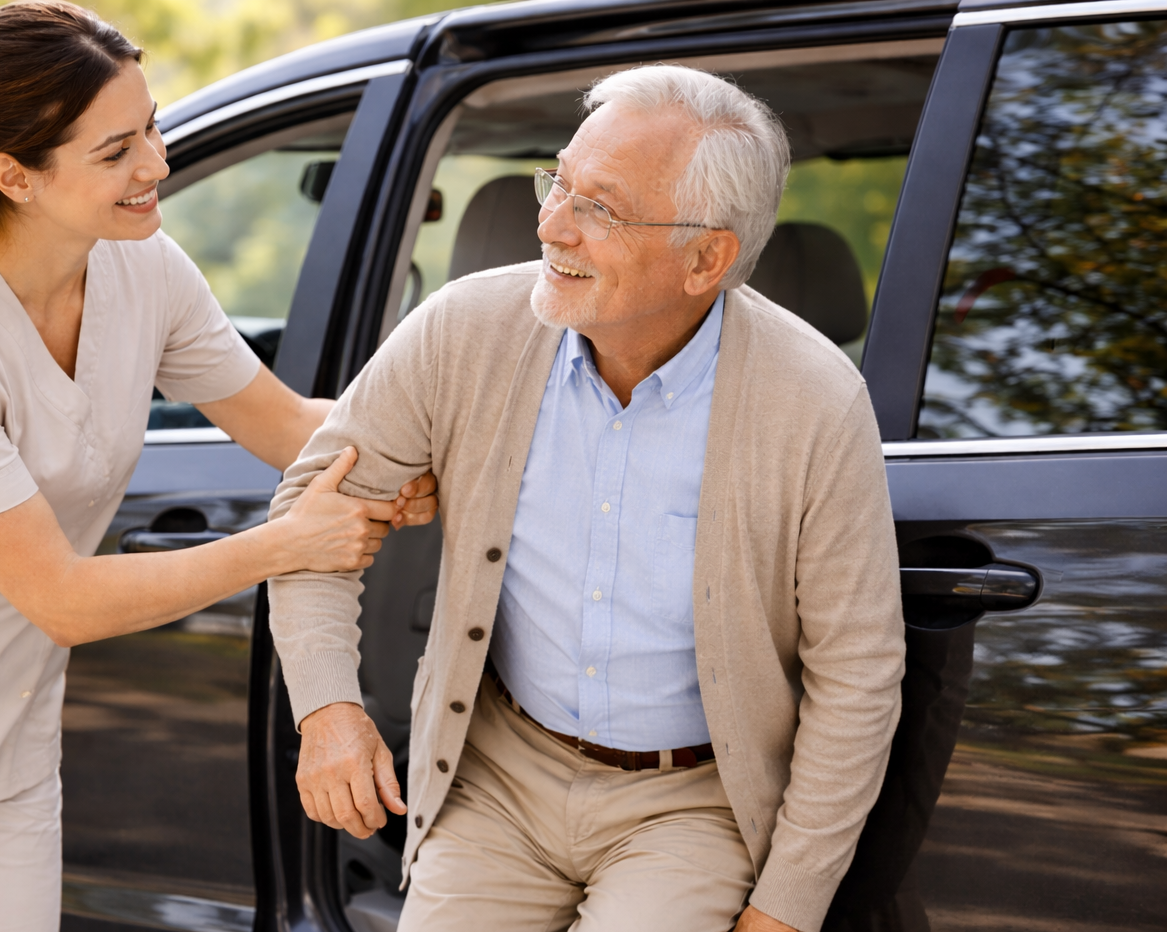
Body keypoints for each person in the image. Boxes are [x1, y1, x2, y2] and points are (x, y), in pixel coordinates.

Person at [0, 3, 436, 930]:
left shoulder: (144, 271)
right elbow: (63, 598)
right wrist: (282, 543)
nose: (156, 164)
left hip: (6, 739)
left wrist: (430, 456)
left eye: (149, 126)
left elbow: (290, 429)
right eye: (115, 152)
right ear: (14, 175)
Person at [266, 64, 906, 932]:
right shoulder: (462, 329)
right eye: (556, 182)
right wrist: (328, 709)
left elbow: (858, 677)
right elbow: (313, 505)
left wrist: (784, 908)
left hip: (691, 803)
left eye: (596, 207)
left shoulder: (816, 402)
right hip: (495, 775)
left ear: (704, 258)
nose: (549, 225)